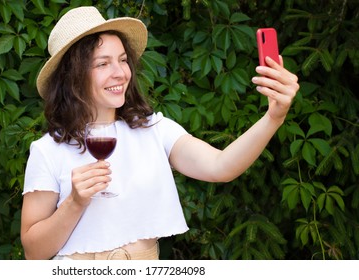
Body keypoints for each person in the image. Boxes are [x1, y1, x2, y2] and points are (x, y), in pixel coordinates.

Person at [20, 6, 299, 260]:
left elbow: (220, 166)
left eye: (122, 60)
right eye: (102, 64)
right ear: (73, 77)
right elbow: (34, 251)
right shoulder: (48, 150)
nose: (120, 73)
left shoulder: (154, 129)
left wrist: (274, 117)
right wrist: (75, 202)